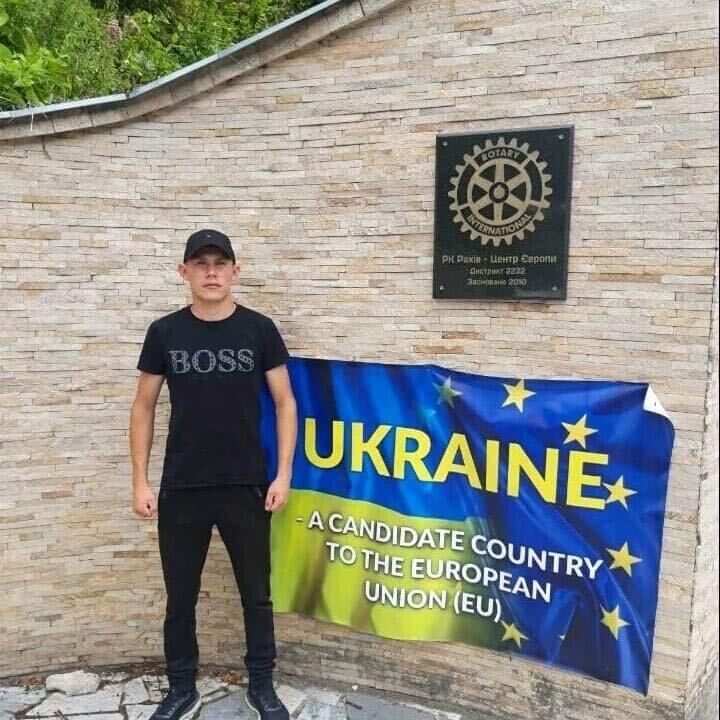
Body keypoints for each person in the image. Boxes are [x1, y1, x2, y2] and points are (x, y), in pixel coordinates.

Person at [129, 229, 297, 720]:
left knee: (256, 595)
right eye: (200, 264)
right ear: (183, 272)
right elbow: (143, 407)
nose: (210, 273)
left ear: (234, 271)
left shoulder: (259, 330)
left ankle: (261, 686)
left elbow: (286, 403)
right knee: (180, 598)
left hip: (247, 484)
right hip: (183, 486)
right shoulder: (164, 332)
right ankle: (182, 688)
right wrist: (140, 480)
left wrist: (283, 474)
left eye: (219, 264)